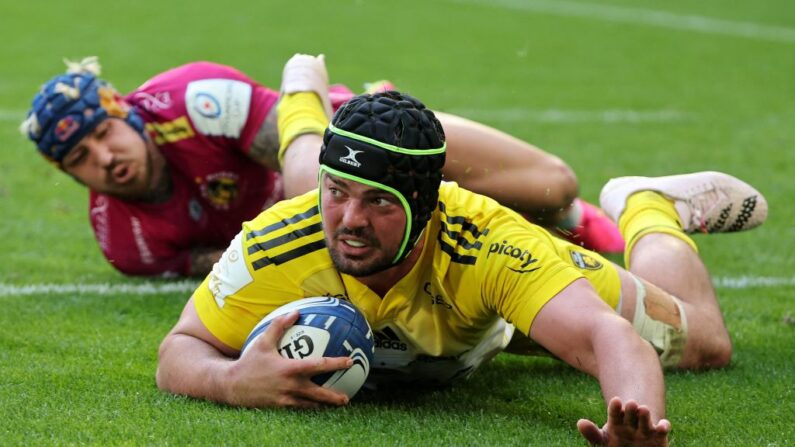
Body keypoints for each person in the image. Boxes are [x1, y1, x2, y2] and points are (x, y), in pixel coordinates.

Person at [155, 91, 767, 445]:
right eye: (336, 191)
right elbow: (180, 348)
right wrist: (231, 382)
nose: (348, 219)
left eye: (378, 202)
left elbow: (606, 335)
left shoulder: (489, 241)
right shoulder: (279, 243)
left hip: (500, 310)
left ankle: (645, 208)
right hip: (455, 333)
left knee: (707, 343)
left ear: (425, 206)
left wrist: (634, 418)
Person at [20, 55, 622, 277]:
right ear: (71, 176)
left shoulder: (192, 99)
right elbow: (224, 265)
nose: (105, 158)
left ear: (124, 112)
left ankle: (583, 217)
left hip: (365, 141)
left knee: (552, 186)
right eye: (81, 158)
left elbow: (308, 172)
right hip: (343, 224)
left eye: (104, 133)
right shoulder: (126, 245)